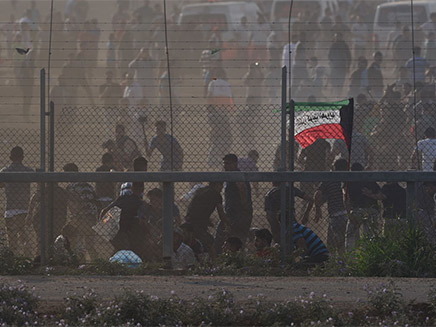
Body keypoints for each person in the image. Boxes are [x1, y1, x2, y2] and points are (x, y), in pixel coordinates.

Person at [100, 182, 150, 260]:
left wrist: (104, 225)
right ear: (142, 190)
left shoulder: (122, 199)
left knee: (121, 249)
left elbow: (103, 211)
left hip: (116, 230)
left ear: (132, 189)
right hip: (124, 231)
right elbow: (142, 220)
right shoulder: (140, 203)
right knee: (127, 249)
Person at [214, 154, 253, 254]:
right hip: (233, 213)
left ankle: (235, 260)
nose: (225, 166)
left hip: (238, 214)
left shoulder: (236, 175)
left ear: (235, 164)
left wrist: (244, 207)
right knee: (227, 238)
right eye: (224, 164)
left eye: (228, 163)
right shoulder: (230, 176)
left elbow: (242, 188)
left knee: (236, 239)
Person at [0, 146, 33, 255]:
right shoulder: (28, 171)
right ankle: (27, 259)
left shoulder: (5, 171)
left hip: (10, 210)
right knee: (24, 238)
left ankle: (13, 259)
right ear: (22, 157)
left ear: (10, 157)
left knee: (12, 239)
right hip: (24, 209)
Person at [63, 163, 99, 260]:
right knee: (89, 245)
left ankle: (80, 263)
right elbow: (95, 201)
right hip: (91, 216)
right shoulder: (87, 185)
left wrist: (74, 218)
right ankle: (96, 263)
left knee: (76, 243)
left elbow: (72, 205)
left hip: (80, 217)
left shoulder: (71, 187)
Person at [184, 181, 229, 257]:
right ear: (217, 185)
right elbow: (221, 213)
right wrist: (228, 223)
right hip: (198, 224)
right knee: (210, 243)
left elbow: (198, 208)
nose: (221, 189)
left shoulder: (201, 190)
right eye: (221, 185)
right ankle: (215, 263)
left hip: (189, 220)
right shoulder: (216, 195)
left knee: (192, 241)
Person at [345, 163, 383, 251]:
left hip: (357, 210)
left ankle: (351, 256)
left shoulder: (349, 182)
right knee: (369, 235)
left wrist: (349, 215)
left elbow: (346, 199)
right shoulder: (369, 179)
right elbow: (380, 195)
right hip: (371, 210)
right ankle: (368, 254)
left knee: (351, 235)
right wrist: (371, 195)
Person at [314, 159, 348, 254]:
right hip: (348, 214)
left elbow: (317, 194)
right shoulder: (348, 178)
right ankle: (343, 263)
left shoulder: (329, 179)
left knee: (332, 243)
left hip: (335, 215)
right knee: (345, 243)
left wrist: (317, 209)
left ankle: (335, 264)